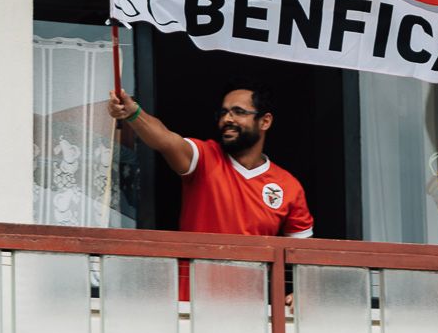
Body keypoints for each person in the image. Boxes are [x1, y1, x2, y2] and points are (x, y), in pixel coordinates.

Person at [106, 81, 313, 239]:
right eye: (224, 113)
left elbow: (301, 256)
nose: (227, 119)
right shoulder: (205, 157)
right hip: (197, 284)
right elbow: (166, 140)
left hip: (252, 285)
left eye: (238, 112)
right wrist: (133, 113)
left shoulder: (288, 186)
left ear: (265, 121)